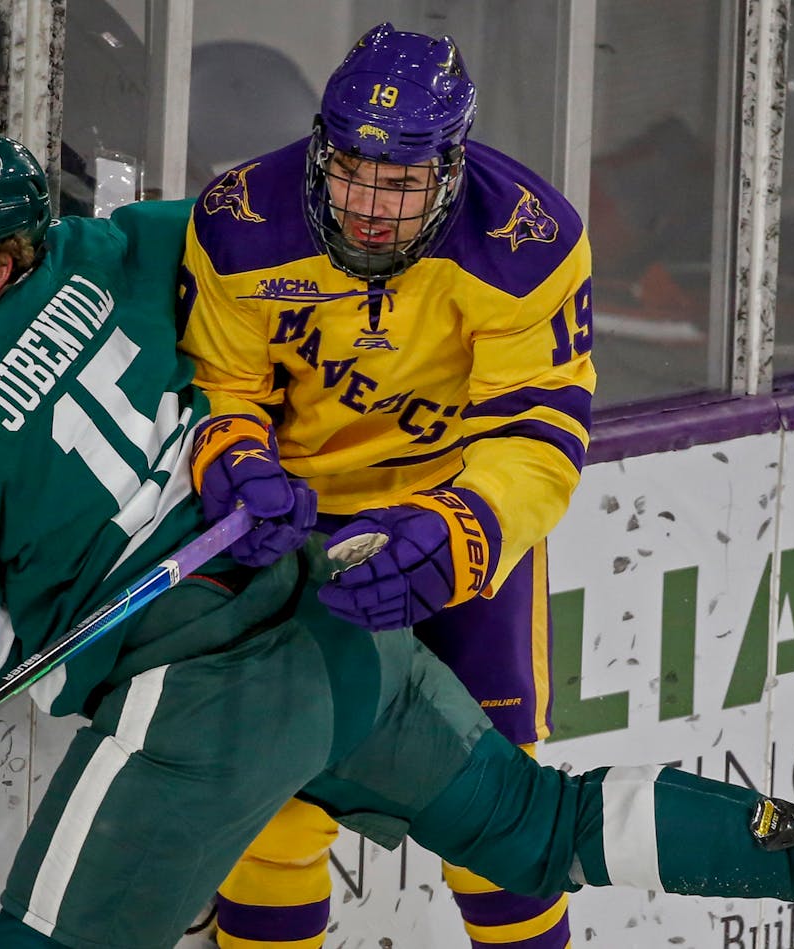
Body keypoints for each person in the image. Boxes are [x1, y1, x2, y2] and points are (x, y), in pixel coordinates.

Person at [0, 127, 794, 949]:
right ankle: (793, 846)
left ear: (3, 261)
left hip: (194, 704)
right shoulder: (116, 247)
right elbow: (255, 248)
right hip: (337, 623)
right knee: (538, 822)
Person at [177, 22, 596, 948]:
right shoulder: (240, 220)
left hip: (452, 516)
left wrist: (463, 531)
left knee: (495, 819)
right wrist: (238, 466)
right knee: (272, 805)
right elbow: (221, 387)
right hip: (299, 528)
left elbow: (540, 432)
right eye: (350, 169)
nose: (368, 205)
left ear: (450, 169)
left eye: (401, 182)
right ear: (323, 146)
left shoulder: (529, 238)